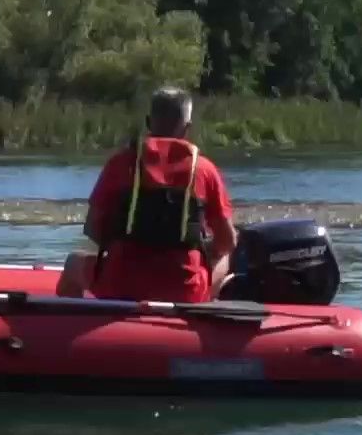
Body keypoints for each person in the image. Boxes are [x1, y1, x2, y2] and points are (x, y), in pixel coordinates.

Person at [58, 87, 237, 303]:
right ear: (187, 128)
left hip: (120, 284)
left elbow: (92, 228)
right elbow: (227, 241)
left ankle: (72, 321)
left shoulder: (120, 163)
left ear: (149, 122)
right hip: (183, 289)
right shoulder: (204, 169)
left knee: (73, 263)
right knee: (225, 257)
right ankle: (199, 316)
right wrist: (202, 249)